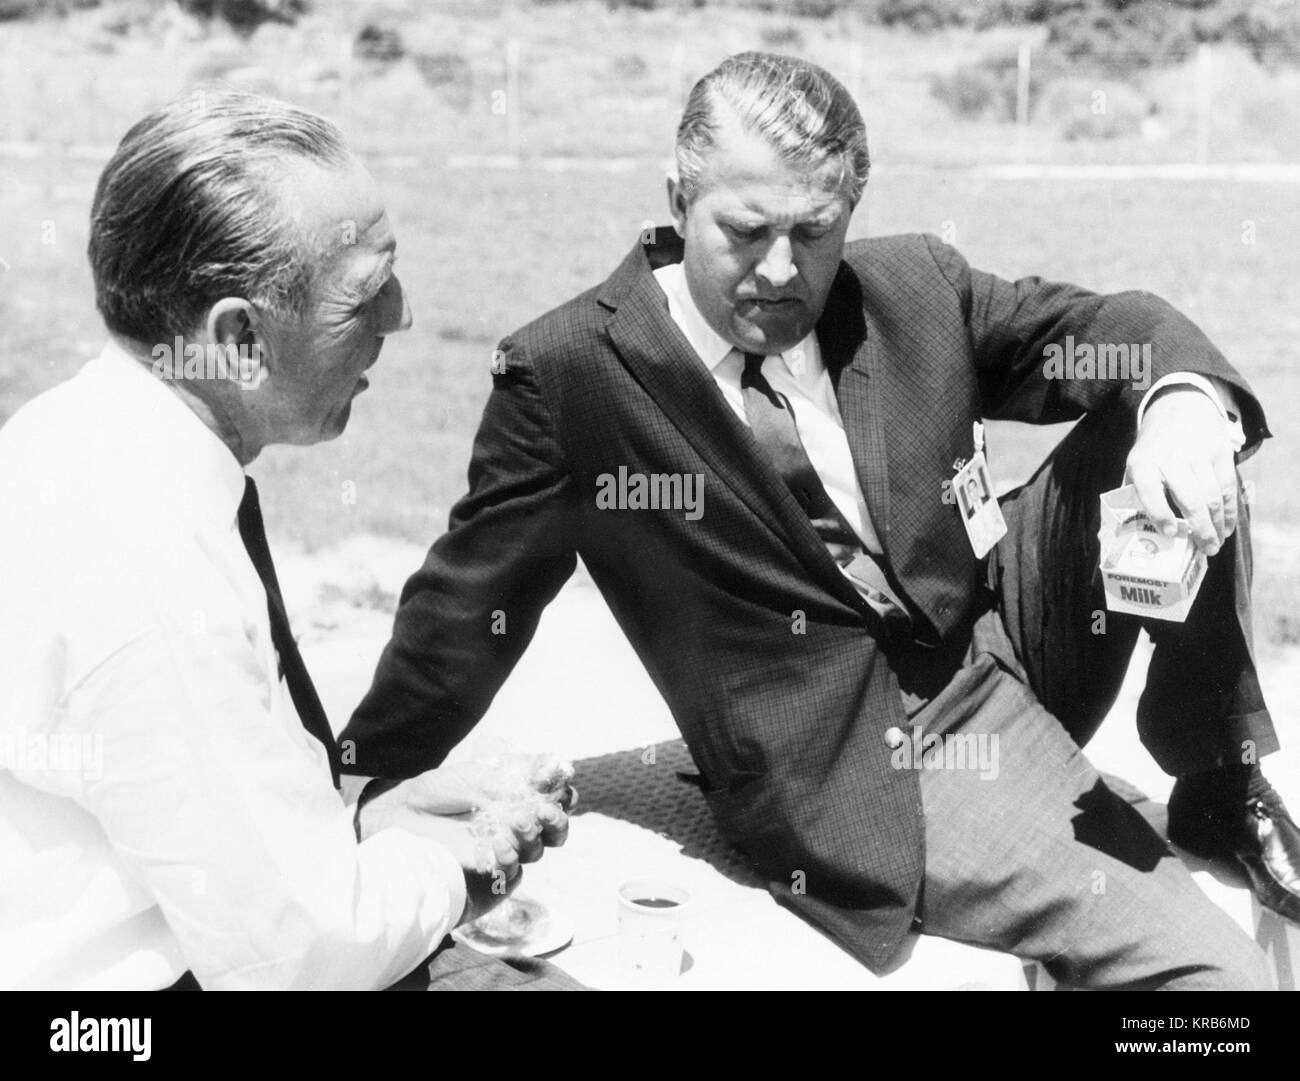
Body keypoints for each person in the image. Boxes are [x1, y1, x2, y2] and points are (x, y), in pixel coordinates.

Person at [343, 53, 1297, 988]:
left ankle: (1218, 780)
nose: (780, 270)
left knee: (1181, 415)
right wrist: (366, 782)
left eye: (815, 231)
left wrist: (1179, 405)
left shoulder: (914, 285)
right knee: (1220, 982)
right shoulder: (571, 376)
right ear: (677, 198)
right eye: (746, 230)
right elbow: (467, 605)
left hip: (1009, 616)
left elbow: (1110, 327)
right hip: (893, 749)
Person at [0, 92, 572, 991]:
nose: (401, 315)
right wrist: (460, 863)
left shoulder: (80, 437)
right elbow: (299, 957)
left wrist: (361, 829)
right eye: (365, 293)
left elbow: (214, 819)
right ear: (240, 340)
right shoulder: (153, 566)